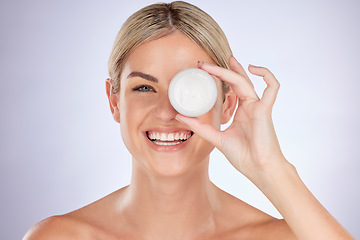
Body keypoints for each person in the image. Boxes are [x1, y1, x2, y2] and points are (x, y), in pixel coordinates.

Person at [23, 1, 354, 239]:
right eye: (143, 87)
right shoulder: (59, 236)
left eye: (191, 90)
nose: (167, 112)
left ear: (227, 104)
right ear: (114, 101)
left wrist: (271, 168)